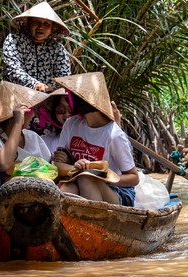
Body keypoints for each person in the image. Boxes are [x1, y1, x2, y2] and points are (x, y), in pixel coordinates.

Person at [53, 72, 139, 205]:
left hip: (117, 191)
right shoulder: (71, 124)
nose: (69, 100)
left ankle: (95, 223)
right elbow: (58, 164)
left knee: (86, 178)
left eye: (72, 96)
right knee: (68, 187)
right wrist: (76, 168)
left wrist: (104, 176)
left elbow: (133, 178)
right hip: (78, 180)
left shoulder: (114, 135)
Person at [0, 81, 51, 205]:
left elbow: (49, 168)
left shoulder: (32, 137)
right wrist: (18, 123)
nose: (34, 115)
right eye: (30, 111)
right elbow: (3, 164)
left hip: (32, 204)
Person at [2, 1, 71, 92]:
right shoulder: (14, 40)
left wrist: (53, 92)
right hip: (16, 95)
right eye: (36, 22)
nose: (41, 27)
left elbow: (64, 79)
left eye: (46, 24)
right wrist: (35, 85)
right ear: (28, 24)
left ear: (52, 28)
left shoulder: (58, 50)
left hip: (48, 99)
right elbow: (12, 69)